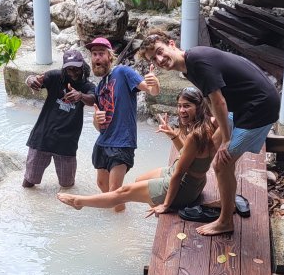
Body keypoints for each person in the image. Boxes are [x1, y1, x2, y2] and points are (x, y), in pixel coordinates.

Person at [140, 30, 280, 235]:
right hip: (245, 104)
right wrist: (216, 130)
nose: (160, 59)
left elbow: (219, 101)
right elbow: (211, 99)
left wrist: (227, 138)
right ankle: (228, 201)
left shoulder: (197, 61)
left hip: (259, 108)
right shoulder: (189, 65)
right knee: (212, 145)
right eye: (154, 58)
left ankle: (225, 221)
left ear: (171, 44)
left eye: (160, 51)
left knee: (221, 163)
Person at [57, 87, 216, 213]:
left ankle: (79, 202)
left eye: (187, 106)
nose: (181, 110)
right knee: (139, 180)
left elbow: (179, 174)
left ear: (199, 107)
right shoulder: (207, 126)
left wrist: (166, 205)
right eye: (180, 106)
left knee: (124, 191)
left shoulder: (195, 135)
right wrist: (173, 135)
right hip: (194, 182)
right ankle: (148, 196)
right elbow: (188, 155)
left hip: (183, 187)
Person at [85, 37, 161, 211]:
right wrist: (96, 120)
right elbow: (99, 126)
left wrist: (154, 85)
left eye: (101, 54)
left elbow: (150, 90)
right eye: (94, 54)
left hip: (122, 142)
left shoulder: (123, 72)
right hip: (103, 141)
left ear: (110, 56)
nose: (97, 58)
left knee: (114, 191)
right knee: (101, 183)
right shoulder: (99, 86)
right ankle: (116, 216)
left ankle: (120, 229)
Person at [22, 50, 97, 188]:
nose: (73, 73)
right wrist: (30, 80)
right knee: (29, 182)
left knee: (67, 186)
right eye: (69, 70)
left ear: (83, 67)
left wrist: (80, 96)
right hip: (42, 138)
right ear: (64, 69)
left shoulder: (87, 87)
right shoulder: (56, 77)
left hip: (66, 143)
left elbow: (93, 100)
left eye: (77, 70)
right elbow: (34, 79)